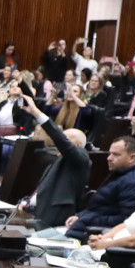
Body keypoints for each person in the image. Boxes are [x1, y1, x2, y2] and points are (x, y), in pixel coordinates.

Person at [16, 94, 89, 231]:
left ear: (78, 145)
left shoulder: (81, 158)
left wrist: (36, 112)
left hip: (52, 216)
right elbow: (40, 190)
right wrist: (26, 202)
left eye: (67, 139)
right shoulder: (56, 162)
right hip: (33, 212)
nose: (60, 142)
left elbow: (60, 140)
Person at [64, 136, 135, 239]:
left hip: (90, 235)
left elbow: (126, 219)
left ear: (132, 157)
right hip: (80, 228)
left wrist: (86, 219)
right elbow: (99, 208)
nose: (109, 158)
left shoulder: (132, 182)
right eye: (110, 153)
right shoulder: (120, 174)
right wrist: (79, 216)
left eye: (116, 154)